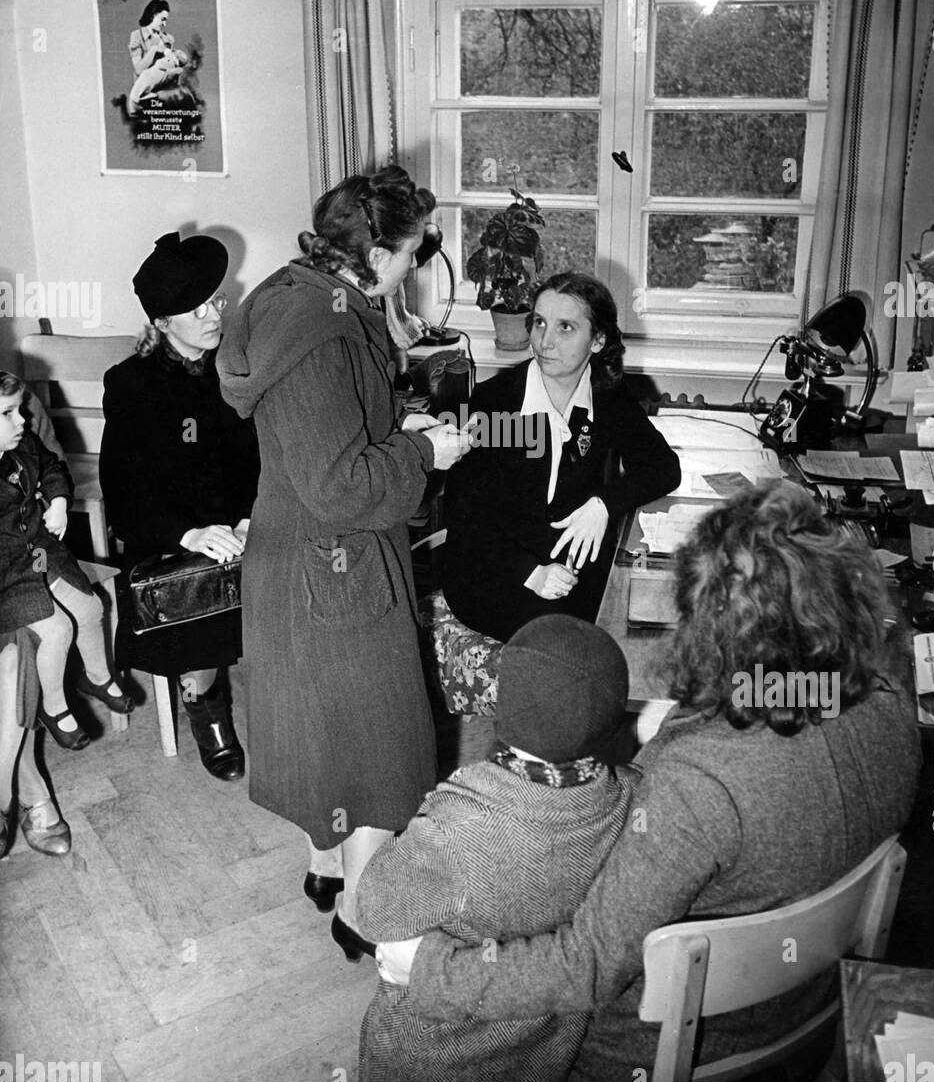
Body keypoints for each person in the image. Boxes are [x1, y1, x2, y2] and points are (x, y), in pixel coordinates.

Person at [376, 481, 923, 1082]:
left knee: (432, 985)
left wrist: (429, 970)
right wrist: (693, 717)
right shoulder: (889, 700)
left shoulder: (694, 784)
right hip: (809, 1014)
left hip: (654, 1051)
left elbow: (584, 965)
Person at [217, 165, 470, 951]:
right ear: (378, 251)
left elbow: (317, 439)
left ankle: (326, 863)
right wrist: (426, 452)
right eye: (414, 248)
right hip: (336, 562)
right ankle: (362, 916)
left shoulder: (290, 295)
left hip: (286, 555)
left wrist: (392, 408)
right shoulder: (325, 335)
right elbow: (340, 485)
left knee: (316, 727)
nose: (418, 261)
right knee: (382, 745)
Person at [357, 614, 636, 1082]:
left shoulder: (461, 825)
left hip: (431, 1059)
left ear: (502, 706)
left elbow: (374, 913)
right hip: (542, 1052)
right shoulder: (628, 799)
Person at [441, 272, 681, 643]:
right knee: (568, 641)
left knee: (640, 613)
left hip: (567, 566)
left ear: (598, 340)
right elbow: (464, 515)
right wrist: (532, 572)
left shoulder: (607, 396)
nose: (544, 341)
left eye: (565, 327)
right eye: (539, 323)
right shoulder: (495, 403)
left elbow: (663, 467)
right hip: (495, 569)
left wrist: (603, 503)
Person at [100, 232, 259, 781]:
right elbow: (125, 492)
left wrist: (251, 513)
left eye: (216, 300)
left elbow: (264, 454)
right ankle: (207, 705)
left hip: (245, 520)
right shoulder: (131, 386)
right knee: (203, 588)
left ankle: (299, 702)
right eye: (198, 309)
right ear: (163, 322)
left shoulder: (237, 366)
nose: (216, 314)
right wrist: (189, 535)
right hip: (172, 537)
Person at [0, 372, 133, 856]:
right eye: (9, 415)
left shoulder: (20, 436)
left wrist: (57, 500)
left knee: (86, 608)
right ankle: (21, 779)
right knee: (44, 637)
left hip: (36, 556)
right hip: (8, 574)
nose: (21, 419)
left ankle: (96, 677)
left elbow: (52, 464)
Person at [127, 0, 188, 115]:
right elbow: (139, 70)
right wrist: (154, 50)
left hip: (165, 90)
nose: (165, 24)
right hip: (145, 91)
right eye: (162, 19)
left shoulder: (168, 38)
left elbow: (176, 60)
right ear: (152, 16)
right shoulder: (136, 36)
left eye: (166, 20)